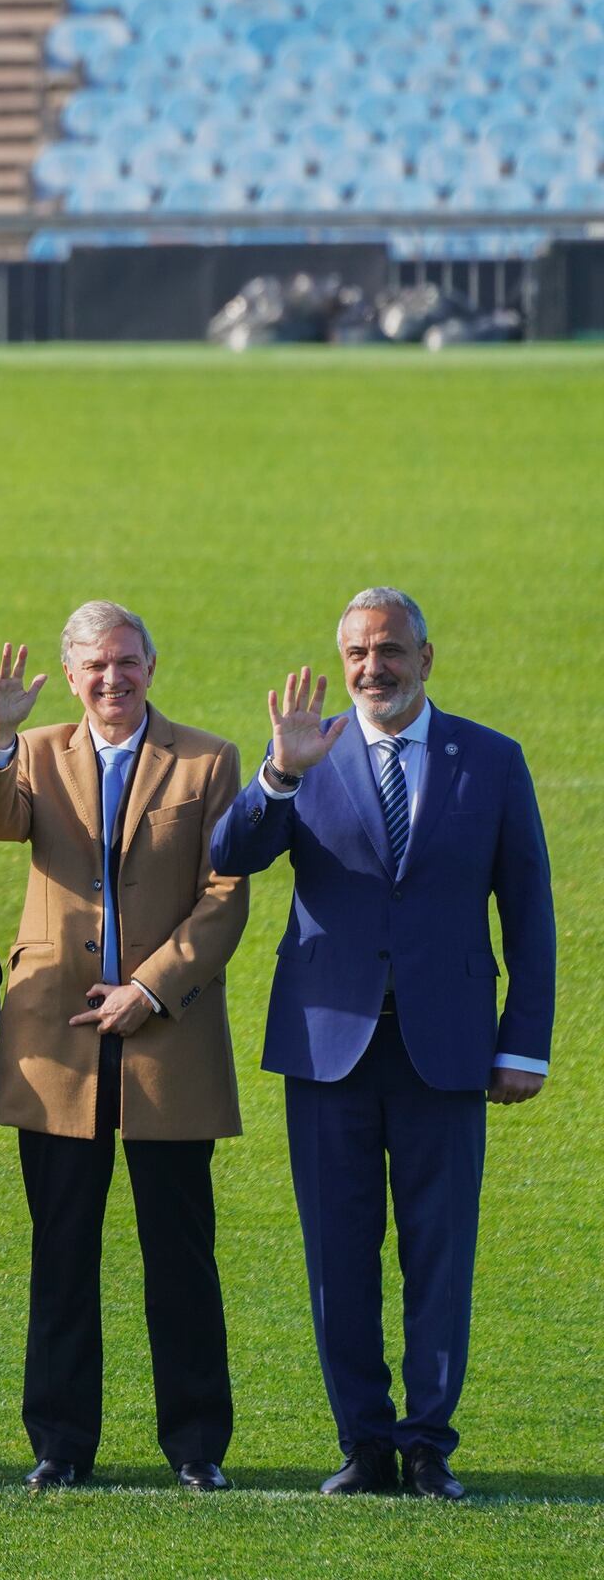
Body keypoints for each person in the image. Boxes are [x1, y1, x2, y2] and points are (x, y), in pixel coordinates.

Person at [211, 587, 553, 1502]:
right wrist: (278, 774)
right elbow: (230, 853)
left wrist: (525, 1043)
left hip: (447, 1051)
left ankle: (429, 1444)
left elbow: (529, 911)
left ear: (426, 658)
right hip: (329, 1051)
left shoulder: (492, 760)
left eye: (391, 649)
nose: (374, 667)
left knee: (441, 1254)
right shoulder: (307, 752)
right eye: (358, 652)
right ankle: (364, 1443)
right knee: (338, 1257)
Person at [0, 606, 250, 1492]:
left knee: (180, 1252)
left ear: (152, 665)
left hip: (168, 1032)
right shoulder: (39, 751)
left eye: (126, 662)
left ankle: (197, 1446)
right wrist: (1, 737)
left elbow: (226, 889)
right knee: (61, 1249)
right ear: (71, 671)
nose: (111, 679)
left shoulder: (207, 759)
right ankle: (59, 1443)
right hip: (56, 1037)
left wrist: (151, 986)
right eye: (94, 666)